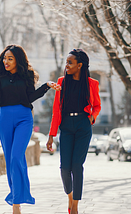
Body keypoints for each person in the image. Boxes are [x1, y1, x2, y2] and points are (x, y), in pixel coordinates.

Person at [0, 44, 61, 214]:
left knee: (17, 157)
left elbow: (30, 97)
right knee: (10, 160)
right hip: (5, 119)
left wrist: (46, 86)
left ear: (18, 60)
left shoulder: (27, 75)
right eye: (4, 58)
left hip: (24, 118)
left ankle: (18, 199)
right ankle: (16, 201)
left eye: (10, 58)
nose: (6, 61)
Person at [47, 49, 101, 214]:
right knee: (64, 168)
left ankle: (75, 206)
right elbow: (56, 109)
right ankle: (70, 197)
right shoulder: (62, 82)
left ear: (80, 65)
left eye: (70, 63)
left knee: (77, 166)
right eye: (66, 62)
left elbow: (97, 105)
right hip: (66, 126)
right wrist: (51, 135)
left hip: (83, 125)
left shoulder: (92, 84)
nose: (67, 66)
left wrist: (92, 117)